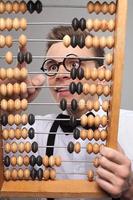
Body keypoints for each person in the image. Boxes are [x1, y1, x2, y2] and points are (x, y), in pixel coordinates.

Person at [1, 26, 133, 200]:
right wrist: (2, 110)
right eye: (53, 66)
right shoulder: (32, 132)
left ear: (102, 77)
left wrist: (129, 191)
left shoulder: (130, 125)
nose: (60, 74)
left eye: (74, 64)